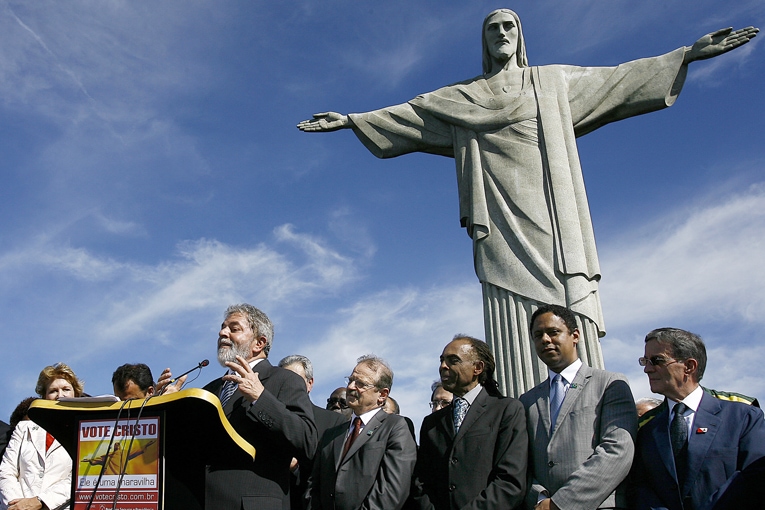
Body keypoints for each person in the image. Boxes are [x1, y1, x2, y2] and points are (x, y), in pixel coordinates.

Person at [298, 9, 759, 396]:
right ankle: (520, 408)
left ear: (520, 37)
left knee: (565, 293)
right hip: (497, 217)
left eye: (509, 27)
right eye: (492, 28)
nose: (501, 34)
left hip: (553, 214)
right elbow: (409, 114)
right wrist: (351, 120)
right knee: (508, 307)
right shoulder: (463, 98)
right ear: (483, 41)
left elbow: (619, 80)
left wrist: (685, 55)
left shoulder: (552, 83)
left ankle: (580, 400)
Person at [189, 304, 317, 510]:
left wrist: (261, 398)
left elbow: (307, 441)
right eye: (223, 327)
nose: (222, 333)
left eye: (234, 328)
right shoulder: (210, 389)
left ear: (259, 343)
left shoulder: (285, 380)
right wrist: (171, 407)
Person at [632, 328, 765, 510]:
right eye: (644, 361)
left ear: (689, 366)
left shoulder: (743, 418)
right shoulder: (647, 431)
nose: (647, 369)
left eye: (657, 360)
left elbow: (754, 476)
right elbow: (641, 489)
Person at [519, 304, 637, 510]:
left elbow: (618, 450)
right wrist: (539, 498)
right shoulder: (528, 400)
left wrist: (561, 503)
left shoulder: (609, 384)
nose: (545, 339)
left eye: (553, 332)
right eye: (538, 335)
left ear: (575, 335)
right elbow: (522, 462)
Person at [412, 335, 527, 509]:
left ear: (478, 368)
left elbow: (509, 481)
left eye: (453, 360)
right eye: (442, 360)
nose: (443, 366)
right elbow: (421, 481)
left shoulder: (506, 410)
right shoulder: (431, 423)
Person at [308, 355, 416, 510]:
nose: (351, 387)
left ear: (382, 395)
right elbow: (313, 486)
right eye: (351, 380)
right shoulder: (331, 434)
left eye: (361, 384)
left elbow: (391, 492)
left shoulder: (395, 427)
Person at [0, 363, 84, 510]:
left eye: (66, 389)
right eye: (53, 391)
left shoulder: (83, 432)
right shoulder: (23, 428)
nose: (60, 395)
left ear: (75, 394)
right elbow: (7, 469)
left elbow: (80, 477)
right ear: (44, 397)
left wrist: (40, 501)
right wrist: (16, 504)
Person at [278, 354, 347, 510]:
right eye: (283, 379)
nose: (288, 384)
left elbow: (331, 477)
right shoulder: (264, 414)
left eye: (294, 379)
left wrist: (296, 468)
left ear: (310, 383)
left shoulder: (333, 423)